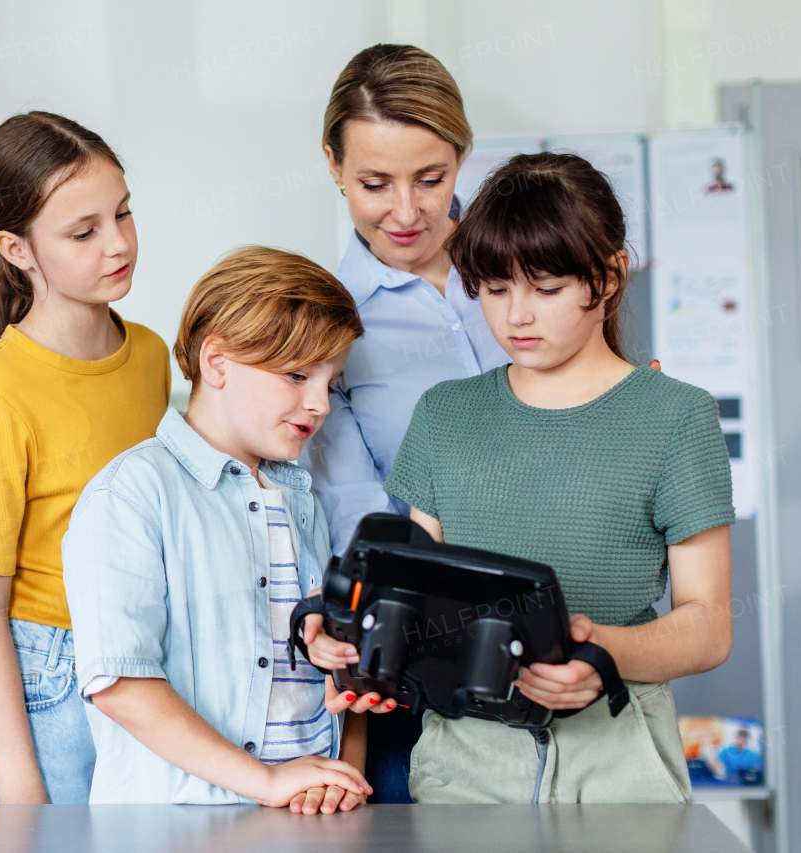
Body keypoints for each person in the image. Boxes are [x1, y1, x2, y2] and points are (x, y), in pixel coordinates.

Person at [380, 151, 734, 803]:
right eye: (494, 289)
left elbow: (709, 623)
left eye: (545, 288)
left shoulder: (676, 416)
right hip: (466, 762)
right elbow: (416, 598)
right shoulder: (444, 414)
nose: (516, 316)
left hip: (618, 762)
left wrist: (604, 653)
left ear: (610, 274)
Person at [63, 247, 392, 813]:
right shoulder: (133, 494)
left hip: (310, 817)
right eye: (296, 374)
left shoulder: (301, 499)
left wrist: (343, 780)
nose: (320, 404)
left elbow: (340, 681)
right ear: (215, 362)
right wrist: (265, 783)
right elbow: (120, 683)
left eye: (330, 381)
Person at [299, 42, 509, 804]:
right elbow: (359, 511)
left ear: (462, 155)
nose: (407, 211)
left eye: (432, 178)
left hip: (568, 630)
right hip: (428, 656)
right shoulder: (329, 321)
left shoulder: (525, 271)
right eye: (373, 183)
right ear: (333, 165)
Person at [0, 112, 171, 804]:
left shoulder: (152, 356)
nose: (119, 243)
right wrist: (18, 779)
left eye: (124, 214)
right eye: (84, 231)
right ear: (17, 248)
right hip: (40, 682)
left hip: (137, 662)